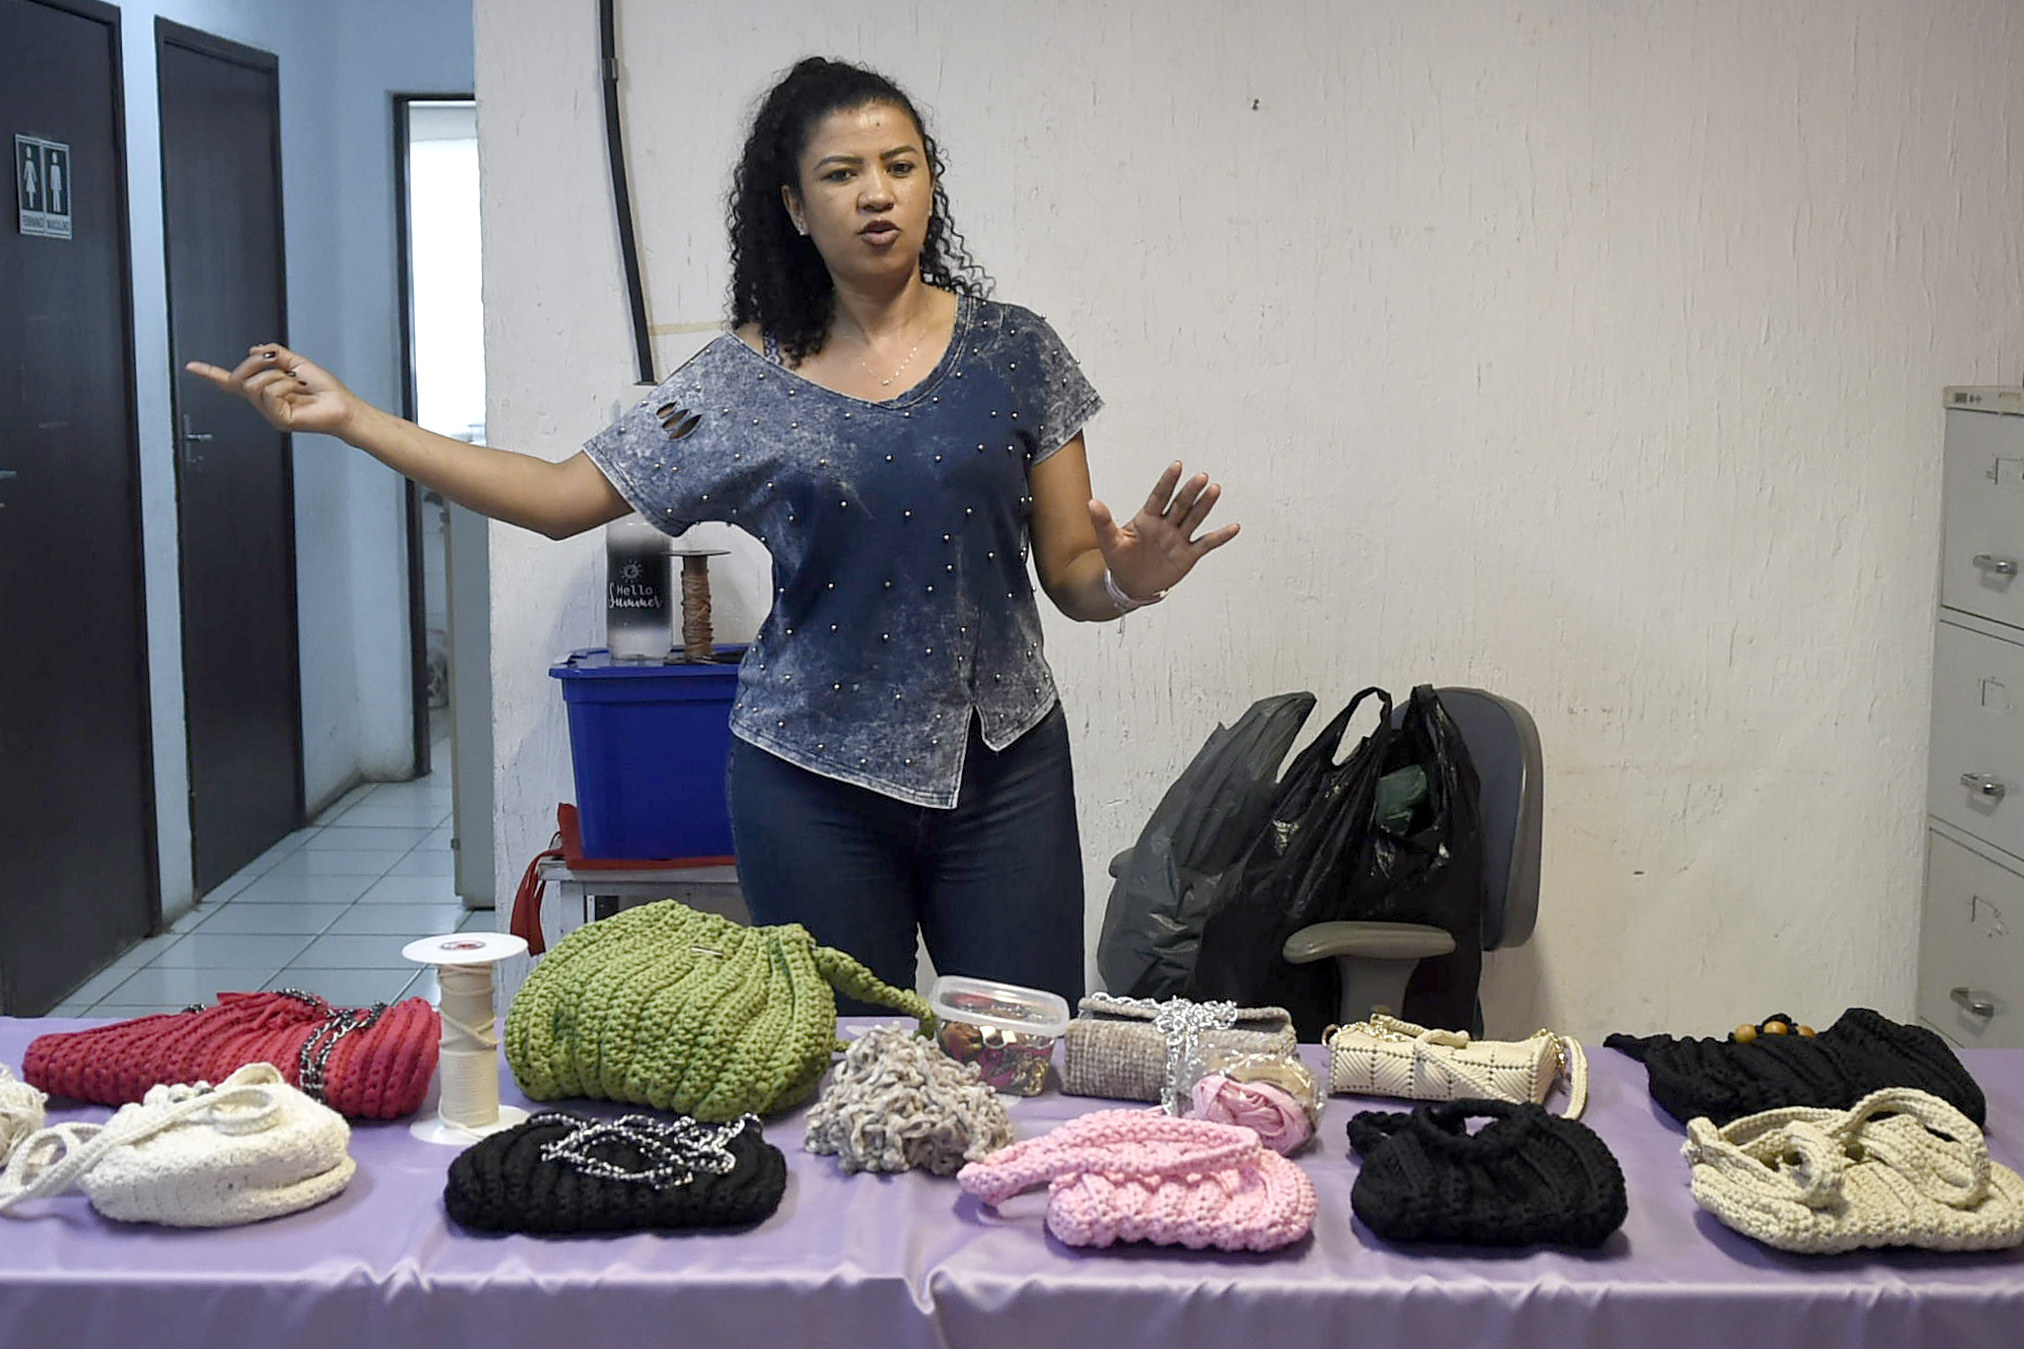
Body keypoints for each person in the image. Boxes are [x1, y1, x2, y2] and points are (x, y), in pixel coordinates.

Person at [187, 56, 1238, 1007]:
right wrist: (356, 419)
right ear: (794, 206)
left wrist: (1130, 577)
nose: (876, 193)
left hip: (1003, 770)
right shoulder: (738, 383)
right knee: (840, 1070)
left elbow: (1073, 575)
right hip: (810, 780)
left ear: (929, 183)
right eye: (841, 174)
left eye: (900, 165)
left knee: (1024, 1054)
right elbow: (557, 497)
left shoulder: (1016, 351)